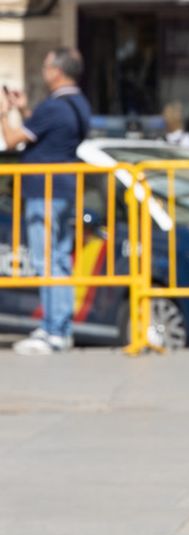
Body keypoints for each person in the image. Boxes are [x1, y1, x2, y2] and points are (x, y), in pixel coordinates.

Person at [4, 48, 92, 356]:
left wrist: (3, 114)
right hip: (64, 189)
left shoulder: (53, 106)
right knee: (59, 259)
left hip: (44, 190)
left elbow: (12, 140)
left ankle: (53, 329)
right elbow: (45, 134)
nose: (43, 72)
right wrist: (24, 110)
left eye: (45, 67)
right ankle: (60, 328)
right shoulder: (78, 103)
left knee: (47, 261)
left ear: (57, 71)